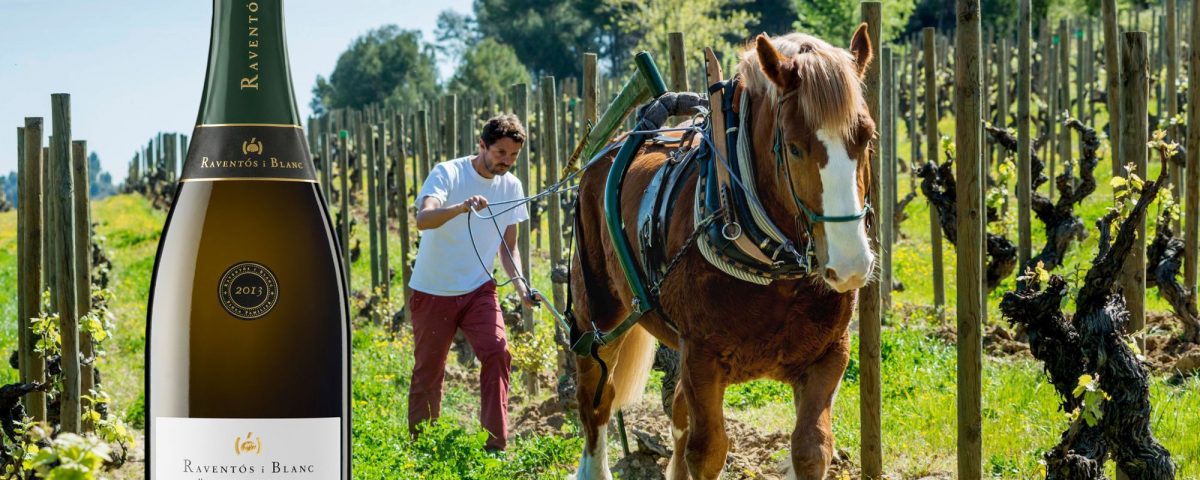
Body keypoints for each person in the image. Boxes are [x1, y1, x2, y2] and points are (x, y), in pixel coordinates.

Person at [407, 114, 534, 451]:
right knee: (429, 371)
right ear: (482, 145)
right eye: (500, 152)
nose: (506, 161)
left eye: (513, 156)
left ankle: (494, 445)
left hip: (479, 288)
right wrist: (461, 207)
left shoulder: (513, 187)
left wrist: (521, 286)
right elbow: (423, 219)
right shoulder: (448, 172)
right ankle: (423, 446)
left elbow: (510, 247)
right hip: (433, 289)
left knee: (497, 352)